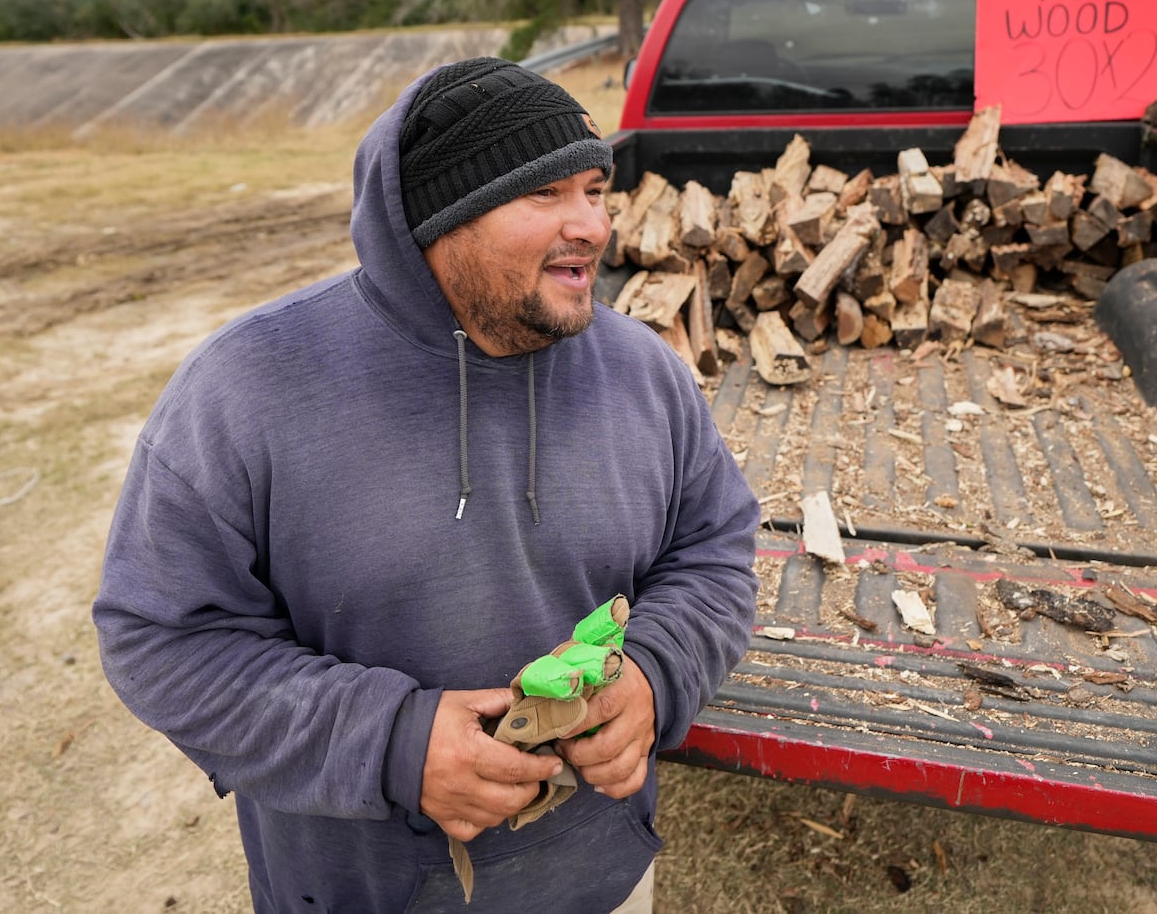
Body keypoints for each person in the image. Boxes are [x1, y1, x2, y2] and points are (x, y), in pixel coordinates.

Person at [92, 56, 761, 912]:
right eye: (545, 195)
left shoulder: (639, 371)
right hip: (358, 890)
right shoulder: (248, 388)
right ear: (441, 220)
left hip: (600, 878)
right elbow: (161, 637)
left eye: (595, 189)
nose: (592, 224)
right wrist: (393, 743)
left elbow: (714, 552)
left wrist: (656, 674)